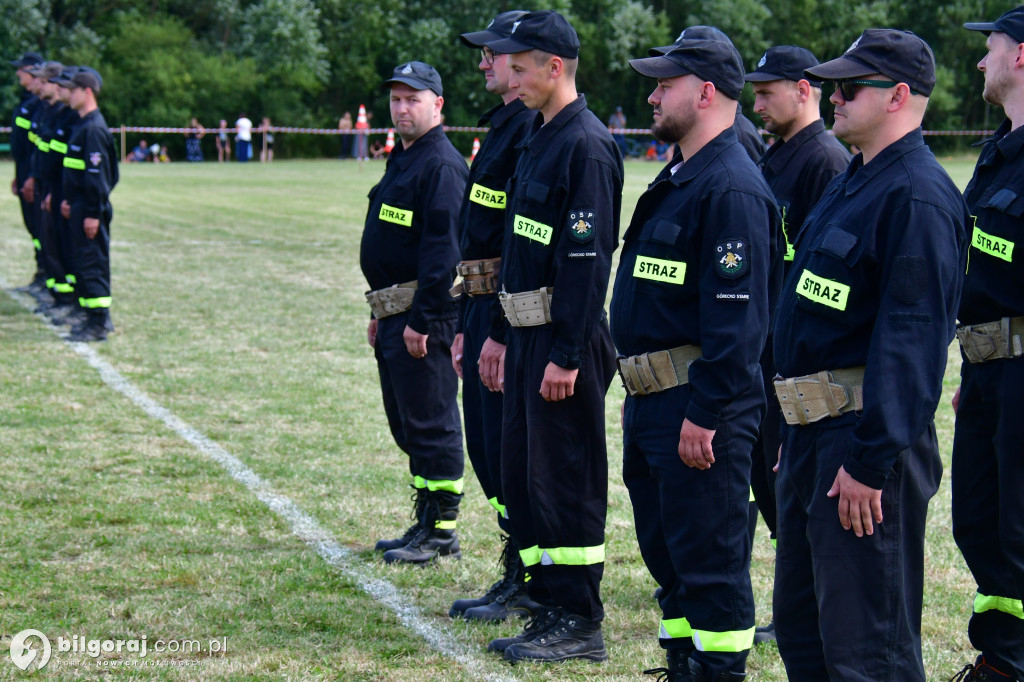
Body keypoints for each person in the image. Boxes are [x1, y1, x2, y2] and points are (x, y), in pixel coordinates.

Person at [771, 29, 969, 681]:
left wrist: (870, 459)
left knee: (867, 650)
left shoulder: (916, 195)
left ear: (900, 97)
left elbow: (912, 343)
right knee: (805, 633)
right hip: (812, 437)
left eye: (851, 87)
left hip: (858, 448)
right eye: (832, 84)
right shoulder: (855, 179)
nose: (835, 97)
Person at [614, 38, 782, 682]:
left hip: (697, 406)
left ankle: (719, 670)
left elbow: (739, 325)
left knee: (710, 561)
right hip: (655, 402)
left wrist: (708, 412)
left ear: (706, 92)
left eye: (665, 85)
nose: (653, 96)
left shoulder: (731, 186)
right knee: (670, 553)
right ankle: (683, 664)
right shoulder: (684, 173)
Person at [482, 10, 622, 663]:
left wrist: (567, 353)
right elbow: (522, 246)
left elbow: (588, 262)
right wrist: (505, 335)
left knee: (566, 480)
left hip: (564, 344)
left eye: (519, 64)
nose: (508, 74)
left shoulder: (587, 144)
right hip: (528, 336)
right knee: (528, 476)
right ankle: (545, 602)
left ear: (553, 67)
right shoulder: (539, 135)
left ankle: (580, 619)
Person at [742, 44, 851, 645]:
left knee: (795, 495)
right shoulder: (777, 155)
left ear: (804, 89)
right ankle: (795, 609)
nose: (757, 102)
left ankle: (807, 614)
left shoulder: (824, 161)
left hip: (795, 368)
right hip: (761, 359)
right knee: (773, 491)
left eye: (767, 92)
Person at [445, 10, 541, 624]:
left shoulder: (529, 128)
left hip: (505, 311)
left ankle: (529, 574)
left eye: (493, 53)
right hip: (479, 305)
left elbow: (521, 243)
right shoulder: (503, 126)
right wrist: (462, 321)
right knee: (486, 447)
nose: (483, 62)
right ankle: (518, 563)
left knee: (507, 451)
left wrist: (499, 329)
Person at [360, 61, 468, 565]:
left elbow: (443, 256)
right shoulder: (403, 159)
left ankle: (442, 531)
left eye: (413, 99)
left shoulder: (441, 166)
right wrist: (382, 311)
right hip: (396, 315)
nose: (402, 108)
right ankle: (426, 518)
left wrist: (423, 320)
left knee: (433, 421)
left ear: (437, 105)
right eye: (396, 99)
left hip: (425, 319)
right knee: (408, 424)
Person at [951, 9, 1024, 681]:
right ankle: (1003, 659)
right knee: (981, 524)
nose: (981, 62)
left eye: (991, 49)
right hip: (988, 371)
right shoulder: (1000, 151)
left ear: (1023, 57)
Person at [57, 66, 120, 342]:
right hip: (80, 205)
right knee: (82, 262)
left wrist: (93, 211)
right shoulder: (83, 124)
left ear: (87, 91)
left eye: (72, 90)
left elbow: (100, 177)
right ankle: (89, 316)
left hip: (90, 208)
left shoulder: (93, 128)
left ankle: (98, 322)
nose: (67, 95)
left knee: (93, 262)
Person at [648, 26, 765, 162]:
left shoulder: (739, 138)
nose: (652, 99)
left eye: (666, 86)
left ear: (705, 93)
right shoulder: (692, 135)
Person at [9, 51, 46, 297]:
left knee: (42, 228)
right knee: (34, 228)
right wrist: (19, 174)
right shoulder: (26, 102)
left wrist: (31, 175)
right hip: (24, 173)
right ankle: (41, 272)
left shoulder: (38, 106)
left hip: (35, 176)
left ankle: (47, 275)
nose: (17, 73)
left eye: (21, 69)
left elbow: (38, 147)